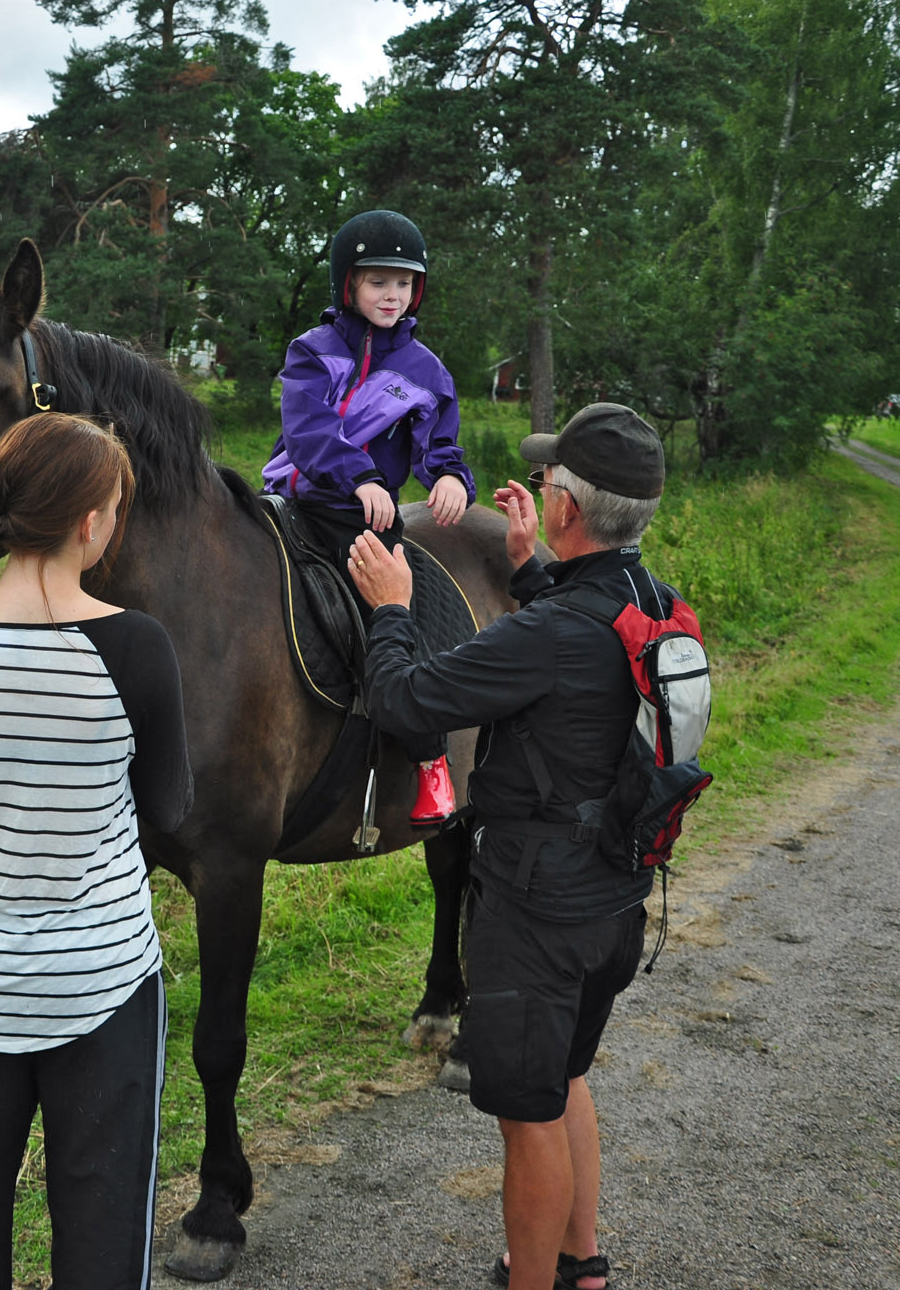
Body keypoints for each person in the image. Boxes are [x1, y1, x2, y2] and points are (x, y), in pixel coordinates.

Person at [346, 403, 674, 1290]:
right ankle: (581, 1261)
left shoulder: (547, 635)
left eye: (547, 484)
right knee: (565, 1079)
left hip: (534, 908)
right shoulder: (648, 601)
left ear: (568, 508)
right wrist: (529, 566)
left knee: (526, 1118)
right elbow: (576, 648)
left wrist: (391, 610)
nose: (536, 490)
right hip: (611, 895)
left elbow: (407, 705)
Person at [0, 411, 192, 1290]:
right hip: (99, 978)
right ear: (91, 522)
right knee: (100, 1220)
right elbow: (166, 806)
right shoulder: (133, 645)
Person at [261, 208, 477, 825]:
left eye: (404, 283)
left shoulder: (426, 373)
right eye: (379, 280)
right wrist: (361, 476)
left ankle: (432, 762)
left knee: (407, 622)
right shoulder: (312, 352)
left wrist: (452, 481)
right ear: (348, 284)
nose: (393, 294)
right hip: (300, 503)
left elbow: (439, 447)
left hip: (370, 527)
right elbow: (308, 433)